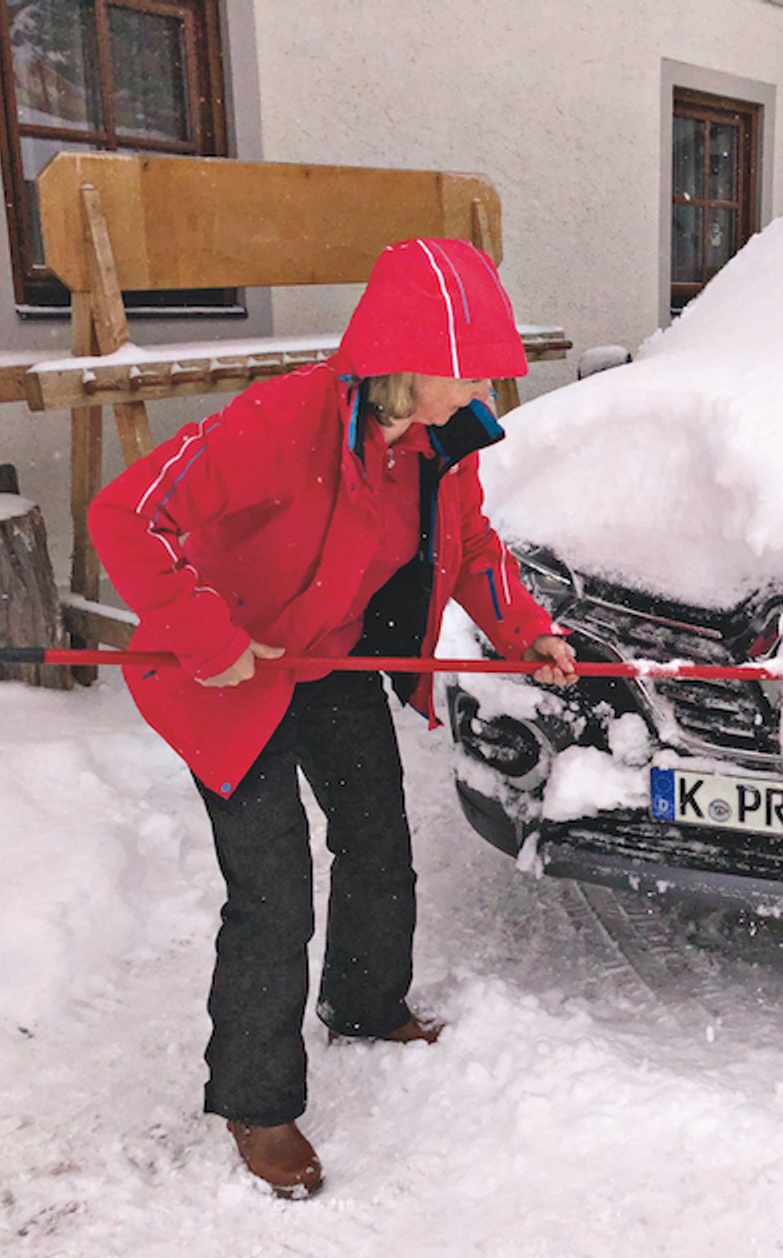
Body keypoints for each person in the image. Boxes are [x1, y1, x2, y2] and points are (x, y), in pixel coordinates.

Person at [88, 238, 576, 1199]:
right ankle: (257, 1103)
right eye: (462, 369)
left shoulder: (442, 442)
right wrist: (205, 630)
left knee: (377, 839)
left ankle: (364, 1002)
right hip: (228, 676)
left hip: (330, 658)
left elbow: (472, 544)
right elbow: (127, 515)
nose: (478, 388)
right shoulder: (278, 422)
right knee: (271, 888)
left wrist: (524, 630)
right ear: (399, 363)